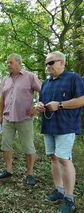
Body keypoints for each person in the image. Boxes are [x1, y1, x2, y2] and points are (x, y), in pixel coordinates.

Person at [37, 51, 84, 213]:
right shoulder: (46, 82)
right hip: (48, 126)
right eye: (46, 64)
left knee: (64, 159)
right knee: (53, 157)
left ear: (62, 62)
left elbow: (82, 100)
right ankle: (59, 190)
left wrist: (60, 105)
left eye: (51, 63)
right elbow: (41, 100)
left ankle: (69, 199)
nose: (48, 66)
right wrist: (40, 106)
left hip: (66, 126)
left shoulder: (74, 78)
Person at [0, 53, 41, 186]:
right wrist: (0, 116)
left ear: (19, 63)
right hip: (8, 118)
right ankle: (8, 170)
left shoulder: (30, 77)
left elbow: (44, 92)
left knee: (28, 147)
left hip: (25, 118)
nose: (8, 65)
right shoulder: (5, 79)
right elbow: (2, 100)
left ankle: (30, 174)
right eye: (7, 63)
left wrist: (37, 109)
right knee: (5, 145)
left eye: (10, 62)